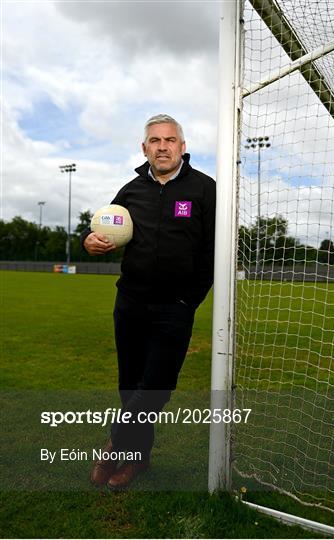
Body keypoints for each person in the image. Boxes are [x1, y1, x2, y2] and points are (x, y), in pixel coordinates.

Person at [82, 114, 216, 490]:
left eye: (170, 140)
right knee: (130, 388)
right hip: (130, 304)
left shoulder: (206, 190)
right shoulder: (130, 191)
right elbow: (99, 228)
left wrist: (189, 300)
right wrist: (88, 241)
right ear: (145, 148)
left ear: (182, 147)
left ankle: (115, 445)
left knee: (156, 388)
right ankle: (137, 461)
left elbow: (212, 253)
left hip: (174, 307)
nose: (162, 146)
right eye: (154, 141)